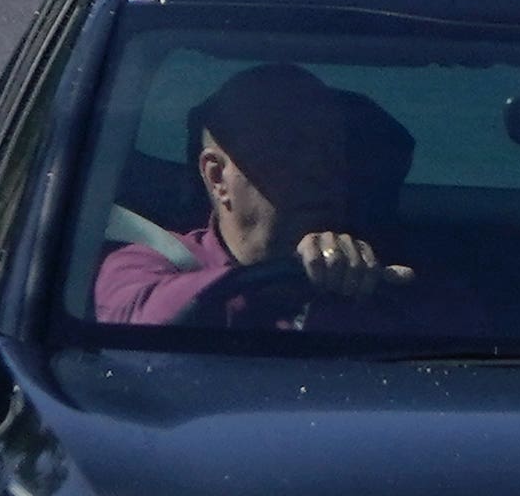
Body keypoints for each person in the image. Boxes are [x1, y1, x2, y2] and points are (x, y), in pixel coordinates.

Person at [93, 63, 471, 334]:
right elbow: (135, 323)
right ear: (217, 177)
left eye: (330, 150)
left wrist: (366, 294)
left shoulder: (391, 279)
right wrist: (273, 278)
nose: (318, 170)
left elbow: (466, 351)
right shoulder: (148, 262)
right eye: (288, 150)